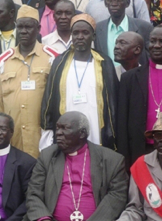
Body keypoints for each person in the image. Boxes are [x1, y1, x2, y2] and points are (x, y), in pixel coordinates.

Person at [2, 111, 128, 221]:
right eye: (57, 128)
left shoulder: (112, 160)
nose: (58, 133)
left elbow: (117, 197)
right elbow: (33, 193)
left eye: (65, 128)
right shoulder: (47, 156)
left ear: (82, 133)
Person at [40, 14, 119, 150]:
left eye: (85, 33)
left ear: (93, 37)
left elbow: (113, 101)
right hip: (67, 127)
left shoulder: (104, 63)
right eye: (75, 33)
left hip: (96, 128)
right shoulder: (59, 62)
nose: (80, 37)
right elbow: (49, 98)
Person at [117, 25, 162, 168]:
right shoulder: (129, 78)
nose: (156, 46)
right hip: (141, 148)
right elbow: (122, 122)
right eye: (152, 41)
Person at [0, 5, 52, 159]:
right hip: (13, 138)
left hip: (42, 138)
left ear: (38, 29)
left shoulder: (51, 58)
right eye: (20, 27)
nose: (23, 31)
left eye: (28, 27)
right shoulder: (3, 61)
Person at [94, 0, 152, 65]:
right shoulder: (98, 29)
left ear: (127, 3)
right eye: (110, 0)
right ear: (105, 3)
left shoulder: (144, 27)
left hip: (134, 76)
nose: (114, 4)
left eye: (119, 0)